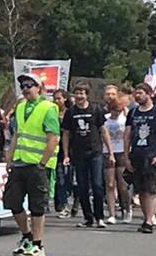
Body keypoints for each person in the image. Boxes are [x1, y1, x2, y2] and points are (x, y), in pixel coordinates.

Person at [4, 72, 59, 256]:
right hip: (19, 162)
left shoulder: (48, 108)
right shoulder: (20, 108)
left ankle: (37, 244)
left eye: (29, 85)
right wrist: (9, 158)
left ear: (39, 88)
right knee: (13, 202)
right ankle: (26, 236)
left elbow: (53, 137)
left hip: (36, 164)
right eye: (23, 86)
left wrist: (43, 163)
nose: (26, 89)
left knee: (37, 206)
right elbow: (17, 134)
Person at [62, 83, 112, 228]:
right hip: (78, 153)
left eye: (82, 93)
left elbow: (103, 130)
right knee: (82, 187)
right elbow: (66, 134)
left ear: (87, 95)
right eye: (77, 93)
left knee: (97, 185)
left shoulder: (96, 109)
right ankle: (88, 217)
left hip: (95, 152)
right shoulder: (70, 112)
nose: (79, 96)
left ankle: (100, 217)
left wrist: (110, 152)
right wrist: (66, 154)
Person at [124, 83, 156, 234]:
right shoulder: (133, 113)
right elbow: (127, 135)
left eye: (141, 93)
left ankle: (149, 220)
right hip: (137, 154)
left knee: (150, 190)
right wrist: (126, 157)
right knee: (141, 190)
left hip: (152, 156)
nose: (138, 96)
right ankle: (146, 218)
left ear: (149, 94)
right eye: (136, 93)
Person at [103, 84, 129, 223]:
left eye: (118, 109)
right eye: (114, 109)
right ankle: (111, 213)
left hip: (122, 152)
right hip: (108, 152)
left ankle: (126, 208)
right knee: (110, 184)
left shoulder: (124, 118)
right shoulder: (105, 118)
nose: (116, 112)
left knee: (122, 184)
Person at [51, 89, 75, 218]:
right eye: (55, 98)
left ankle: (74, 202)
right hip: (55, 150)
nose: (56, 101)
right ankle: (61, 203)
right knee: (59, 179)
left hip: (70, 149)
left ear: (65, 99)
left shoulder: (70, 113)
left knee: (70, 178)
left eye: (59, 98)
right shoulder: (52, 112)